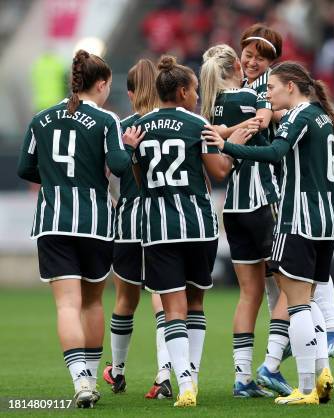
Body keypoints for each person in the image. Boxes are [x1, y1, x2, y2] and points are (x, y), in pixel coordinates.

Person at [205, 62, 334, 406]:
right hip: (325, 220)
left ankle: (306, 387)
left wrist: (230, 147)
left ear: (291, 87)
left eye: (273, 89)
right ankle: (320, 375)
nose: (267, 95)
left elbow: (275, 152)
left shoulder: (297, 117)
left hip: (298, 219)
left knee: (297, 304)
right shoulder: (323, 117)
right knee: (308, 300)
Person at [17, 49, 143, 408]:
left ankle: (81, 383)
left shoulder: (41, 119)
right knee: (91, 302)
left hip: (53, 222)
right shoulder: (106, 121)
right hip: (94, 224)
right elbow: (119, 166)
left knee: (66, 306)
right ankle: (90, 376)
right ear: (102, 84)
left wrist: (56, 180)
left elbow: (26, 168)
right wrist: (129, 146)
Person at [133, 55, 235, 407]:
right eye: (194, 91)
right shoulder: (197, 125)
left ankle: (185, 383)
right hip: (198, 225)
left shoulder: (140, 127)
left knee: (172, 308)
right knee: (195, 304)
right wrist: (230, 149)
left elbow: (139, 180)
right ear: (181, 91)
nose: (197, 97)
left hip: (159, 228)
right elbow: (220, 171)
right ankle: (193, 374)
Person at [199, 43, 275, 398]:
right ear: (236, 68)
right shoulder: (247, 95)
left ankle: (243, 378)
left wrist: (223, 134)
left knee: (249, 294)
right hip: (263, 200)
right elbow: (263, 121)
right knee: (292, 288)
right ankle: (274, 363)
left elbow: (215, 144)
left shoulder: (210, 106)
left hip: (233, 207)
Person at [100, 59, 175, 400]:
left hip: (129, 221)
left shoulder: (121, 128)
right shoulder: (173, 124)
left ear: (129, 93)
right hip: (162, 221)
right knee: (161, 297)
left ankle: (117, 372)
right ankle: (164, 373)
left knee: (125, 299)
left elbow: (108, 175)